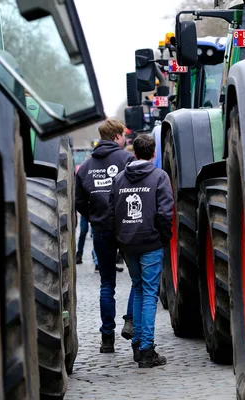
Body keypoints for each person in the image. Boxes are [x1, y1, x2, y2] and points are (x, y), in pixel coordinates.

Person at [108, 134, 173, 368]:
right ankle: (146, 349)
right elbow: (166, 213)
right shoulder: (159, 177)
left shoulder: (119, 179)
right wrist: (164, 238)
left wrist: (119, 238)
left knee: (137, 288)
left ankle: (137, 343)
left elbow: (112, 212)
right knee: (149, 294)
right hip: (150, 242)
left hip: (127, 242)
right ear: (153, 153)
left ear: (134, 152)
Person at [75, 119, 136, 352]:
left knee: (106, 284)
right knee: (137, 280)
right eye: (123, 135)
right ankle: (130, 320)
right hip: (126, 227)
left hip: (100, 230)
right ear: (117, 136)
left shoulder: (87, 165)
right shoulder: (126, 160)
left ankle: (107, 338)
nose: (125, 139)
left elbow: (79, 201)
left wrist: (94, 219)